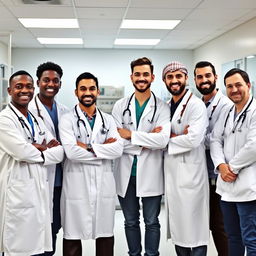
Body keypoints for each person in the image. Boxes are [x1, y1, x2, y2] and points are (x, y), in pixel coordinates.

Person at [59, 72, 123, 256]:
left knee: (105, 235)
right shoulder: (67, 119)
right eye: (83, 89)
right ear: (76, 92)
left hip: (103, 184)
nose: (88, 92)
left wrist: (86, 147)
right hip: (76, 186)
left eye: (92, 88)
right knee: (72, 235)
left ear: (97, 91)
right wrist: (103, 150)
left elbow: (117, 150)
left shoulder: (108, 120)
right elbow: (71, 152)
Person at [0, 70, 64, 255]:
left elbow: (59, 151)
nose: (24, 90)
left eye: (28, 86)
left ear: (33, 88)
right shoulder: (4, 120)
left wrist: (35, 148)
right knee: (18, 247)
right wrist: (43, 149)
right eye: (19, 86)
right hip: (17, 191)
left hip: (38, 188)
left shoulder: (35, 119)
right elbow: (21, 152)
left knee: (39, 247)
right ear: (9, 90)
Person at [112, 57, 170, 256]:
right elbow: (117, 143)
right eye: (137, 74)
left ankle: (152, 254)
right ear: (132, 77)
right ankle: (134, 254)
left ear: (152, 77)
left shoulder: (162, 107)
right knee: (130, 221)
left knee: (152, 221)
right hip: (126, 174)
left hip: (152, 172)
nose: (141, 78)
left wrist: (131, 135)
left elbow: (162, 141)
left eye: (145, 74)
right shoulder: (120, 106)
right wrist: (148, 140)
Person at [162, 61, 209, 256]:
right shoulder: (165, 107)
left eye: (178, 76)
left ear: (186, 78)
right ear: (165, 80)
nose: (174, 81)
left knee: (196, 229)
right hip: (173, 175)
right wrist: (173, 137)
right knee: (179, 228)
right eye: (170, 77)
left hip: (192, 176)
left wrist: (166, 138)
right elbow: (157, 136)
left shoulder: (196, 105)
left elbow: (193, 139)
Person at [210, 68, 256, 256]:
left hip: (248, 189)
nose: (234, 90)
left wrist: (232, 168)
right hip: (226, 189)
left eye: (238, 85)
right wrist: (221, 166)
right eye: (229, 86)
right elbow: (215, 139)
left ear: (248, 85)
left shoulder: (254, 111)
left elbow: (254, 146)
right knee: (232, 237)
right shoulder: (228, 111)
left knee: (251, 239)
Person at [29, 61, 69, 255]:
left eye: (56, 80)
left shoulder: (65, 111)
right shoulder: (27, 110)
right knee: (36, 227)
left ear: (60, 84)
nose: (51, 84)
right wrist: (48, 148)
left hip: (60, 180)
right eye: (46, 80)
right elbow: (27, 148)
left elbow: (68, 146)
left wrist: (46, 148)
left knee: (54, 226)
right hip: (37, 178)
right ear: (38, 82)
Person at [194, 61, 230, 256]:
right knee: (205, 224)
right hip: (201, 174)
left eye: (208, 76)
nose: (204, 80)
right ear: (195, 80)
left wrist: (191, 137)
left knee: (219, 225)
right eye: (200, 77)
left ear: (215, 77)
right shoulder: (200, 103)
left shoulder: (224, 105)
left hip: (217, 174)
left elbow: (216, 138)